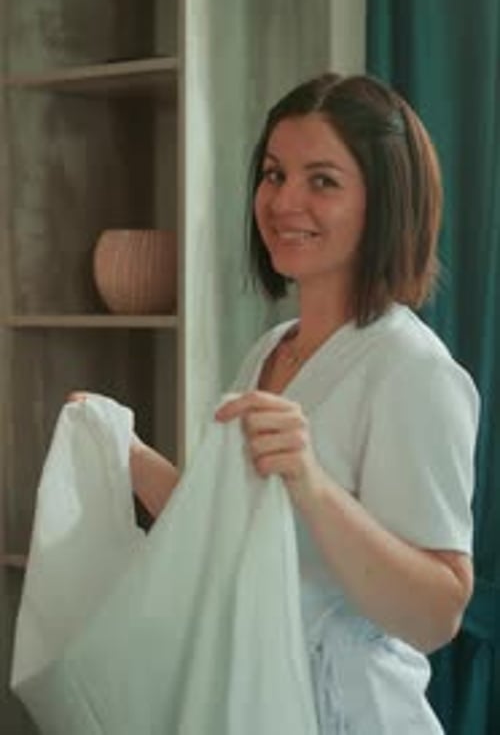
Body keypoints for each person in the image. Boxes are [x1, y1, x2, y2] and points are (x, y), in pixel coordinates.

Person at [72, 72, 479, 733]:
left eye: (322, 180)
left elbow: (438, 613)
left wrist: (312, 484)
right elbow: (227, 537)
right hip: (253, 701)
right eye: (272, 174)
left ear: (385, 202)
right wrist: (125, 452)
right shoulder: (268, 352)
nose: (285, 201)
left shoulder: (412, 370)